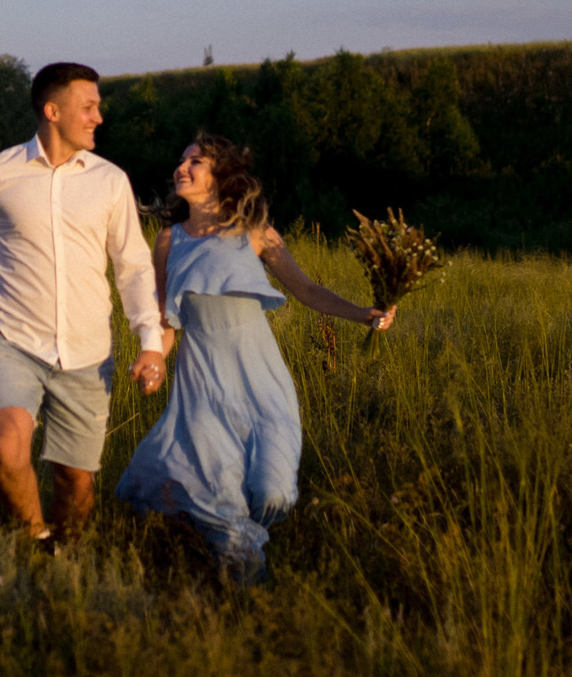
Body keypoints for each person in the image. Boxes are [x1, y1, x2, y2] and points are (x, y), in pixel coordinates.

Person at [114, 132, 394, 578]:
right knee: (216, 493)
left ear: (222, 176)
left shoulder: (255, 234)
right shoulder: (169, 240)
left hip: (261, 378)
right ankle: (241, 576)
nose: (181, 168)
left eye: (196, 162)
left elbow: (306, 290)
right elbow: (166, 321)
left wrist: (364, 314)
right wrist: (155, 359)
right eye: (181, 160)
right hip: (202, 383)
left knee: (274, 491)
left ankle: (238, 540)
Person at [0, 62, 164, 548]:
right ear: (53, 111)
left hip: (87, 354)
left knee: (75, 482)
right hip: (11, 342)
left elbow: (133, 267)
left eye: (98, 107)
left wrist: (150, 343)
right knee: (7, 450)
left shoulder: (111, 181)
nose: (98, 117)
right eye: (88, 107)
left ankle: (66, 562)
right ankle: (33, 545)